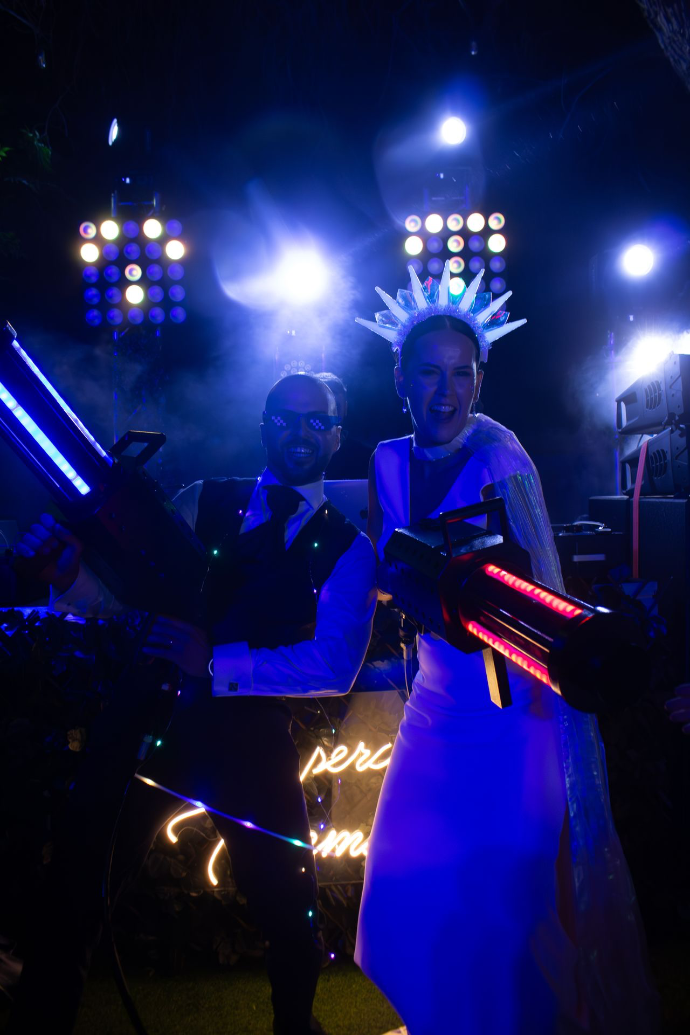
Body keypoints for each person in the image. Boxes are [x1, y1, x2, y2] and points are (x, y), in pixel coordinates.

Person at [9, 373, 377, 1035]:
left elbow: (334, 665)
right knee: (78, 882)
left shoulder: (350, 549)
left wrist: (215, 662)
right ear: (263, 425)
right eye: (285, 417)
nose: (301, 431)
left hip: (250, 740)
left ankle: (297, 1028)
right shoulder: (201, 498)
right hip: (147, 719)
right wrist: (71, 577)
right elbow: (127, 609)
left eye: (317, 420)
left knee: (289, 907)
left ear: (337, 436)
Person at [353, 261, 659, 1035]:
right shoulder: (385, 458)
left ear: (480, 381)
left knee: (507, 911)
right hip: (433, 706)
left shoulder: (501, 457)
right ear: (399, 377)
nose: (446, 390)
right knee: (399, 887)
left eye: (462, 373)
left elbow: (542, 592)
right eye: (430, 372)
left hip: (514, 711)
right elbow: (384, 570)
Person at [313, 372, 372, 479]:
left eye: (335, 406)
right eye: (322, 405)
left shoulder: (367, 458)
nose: (329, 413)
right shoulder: (295, 451)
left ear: (345, 408)